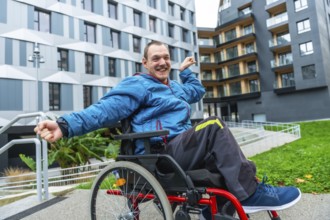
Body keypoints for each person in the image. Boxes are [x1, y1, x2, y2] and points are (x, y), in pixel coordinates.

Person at [35, 41, 301, 215]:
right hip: (161, 151)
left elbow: (196, 91)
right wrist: (64, 125)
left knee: (221, 166)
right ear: (145, 63)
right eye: (156, 58)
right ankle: (251, 194)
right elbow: (105, 110)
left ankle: (223, 210)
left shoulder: (172, 87)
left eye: (166, 58)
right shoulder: (138, 84)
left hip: (181, 147)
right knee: (214, 126)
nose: (162, 62)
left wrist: (185, 72)